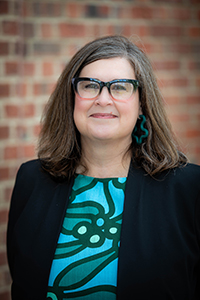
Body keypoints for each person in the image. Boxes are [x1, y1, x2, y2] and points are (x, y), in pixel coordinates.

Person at [7, 35, 200, 300]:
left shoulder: (189, 188)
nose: (103, 99)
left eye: (120, 87)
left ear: (142, 102)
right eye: (89, 86)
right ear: (72, 98)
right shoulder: (31, 179)